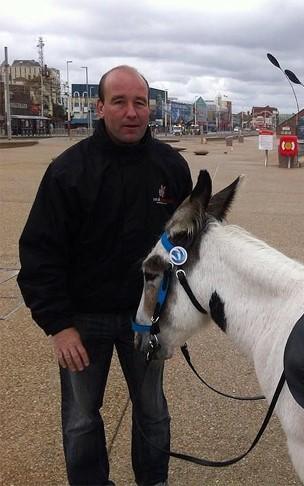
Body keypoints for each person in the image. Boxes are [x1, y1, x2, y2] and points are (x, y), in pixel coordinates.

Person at [17, 65, 193, 485]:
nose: (131, 112)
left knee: (152, 413)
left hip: (148, 318)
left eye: (139, 102)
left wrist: (176, 315)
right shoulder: (68, 171)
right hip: (83, 320)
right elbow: (39, 255)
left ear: (149, 108)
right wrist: (59, 326)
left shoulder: (171, 169)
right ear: (99, 108)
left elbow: (191, 249)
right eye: (119, 102)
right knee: (80, 419)